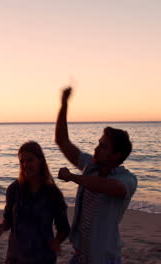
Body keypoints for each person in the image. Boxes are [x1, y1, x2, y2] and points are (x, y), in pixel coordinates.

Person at [55, 87, 138, 264]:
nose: (96, 149)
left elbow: (109, 187)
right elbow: (62, 141)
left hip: (104, 258)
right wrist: (63, 105)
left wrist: (72, 177)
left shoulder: (128, 179)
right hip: (80, 256)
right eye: (98, 144)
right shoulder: (90, 166)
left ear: (116, 155)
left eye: (103, 146)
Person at [0, 141, 70, 264]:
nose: (25, 165)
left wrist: (56, 242)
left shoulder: (53, 193)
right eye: (22, 161)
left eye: (30, 160)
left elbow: (64, 228)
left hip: (42, 257)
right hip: (16, 257)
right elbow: (8, 220)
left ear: (41, 161)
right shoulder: (14, 189)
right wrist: (1, 226)